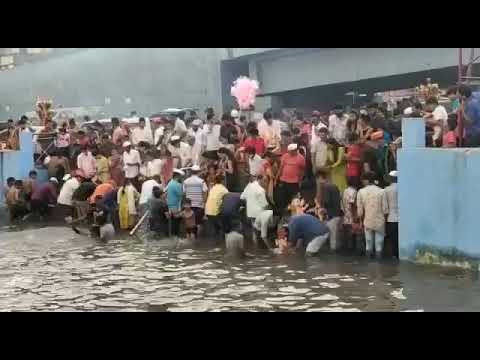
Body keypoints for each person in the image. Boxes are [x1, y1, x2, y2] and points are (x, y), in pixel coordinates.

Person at [357, 171, 387, 259]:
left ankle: (369, 266)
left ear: (366, 181)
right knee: (379, 244)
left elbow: (360, 211)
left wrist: (360, 222)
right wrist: (385, 222)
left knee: (368, 243)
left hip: (367, 221)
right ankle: (379, 265)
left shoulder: (361, 192)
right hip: (380, 221)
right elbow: (385, 209)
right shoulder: (382, 191)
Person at [316, 169, 342, 251]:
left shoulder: (325, 187)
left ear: (320, 178)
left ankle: (332, 256)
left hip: (330, 216)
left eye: (317, 178)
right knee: (334, 239)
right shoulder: (334, 186)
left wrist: (321, 209)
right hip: (336, 215)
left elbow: (327, 202)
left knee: (331, 240)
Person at [275, 143, 306, 211]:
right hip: (283, 180)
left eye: (291, 151)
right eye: (289, 151)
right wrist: (276, 179)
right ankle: (284, 211)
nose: (290, 152)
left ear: (295, 150)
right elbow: (281, 168)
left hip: (294, 182)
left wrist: (300, 181)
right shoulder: (285, 156)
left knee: (294, 199)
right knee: (283, 197)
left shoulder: (301, 158)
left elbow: (302, 170)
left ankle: (293, 211)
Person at [240, 175, 269, 246]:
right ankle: (261, 247)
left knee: (254, 231)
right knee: (261, 232)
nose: (266, 183)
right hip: (259, 213)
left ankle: (255, 247)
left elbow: (242, 197)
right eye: (265, 181)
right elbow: (264, 205)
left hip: (250, 213)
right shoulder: (261, 190)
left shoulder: (249, 186)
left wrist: (250, 200)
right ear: (260, 180)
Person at [183, 165, 208, 234]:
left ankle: (190, 238)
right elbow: (205, 193)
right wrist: (204, 204)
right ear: (198, 172)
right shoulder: (201, 181)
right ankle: (196, 239)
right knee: (197, 223)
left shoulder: (186, 181)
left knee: (189, 223)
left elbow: (184, 194)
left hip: (189, 206)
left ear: (191, 172)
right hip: (199, 206)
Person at [205, 174, 229, 241]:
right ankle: (221, 244)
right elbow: (229, 198)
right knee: (222, 228)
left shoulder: (213, 187)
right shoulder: (223, 189)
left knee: (215, 228)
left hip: (207, 211)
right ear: (222, 181)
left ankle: (215, 242)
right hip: (215, 211)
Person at [383, 170, 399, 259]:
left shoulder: (386, 190)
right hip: (402, 219)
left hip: (391, 218)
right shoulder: (404, 188)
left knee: (393, 240)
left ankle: (394, 256)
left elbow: (385, 208)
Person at [342, 176, 360, 253]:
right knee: (353, 237)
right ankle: (353, 252)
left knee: (347, 237)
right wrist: (355, 217)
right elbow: (352, 204)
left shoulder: (345, 191)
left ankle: (347, 252)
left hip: (345, 216)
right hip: (351, 217)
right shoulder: (354, 191)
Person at [165, 169, 184, 236]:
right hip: (175, 206)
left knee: (172, 223)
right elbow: (181, 195)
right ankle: (175, 236)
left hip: (169, 205)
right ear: (178, 176)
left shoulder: (170, 183)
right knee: (176, 223)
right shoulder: (177, 185)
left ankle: (172, 235)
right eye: (181, 177)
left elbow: (165, 192)